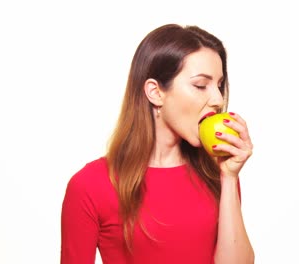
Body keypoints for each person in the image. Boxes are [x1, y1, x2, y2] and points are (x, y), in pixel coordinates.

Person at [60, 23, 254, 264]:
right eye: (201, 85)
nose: (217, 99)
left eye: (219, 85)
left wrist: (229, 177)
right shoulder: (90, 185)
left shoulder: (218, 175)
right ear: (155, 92)